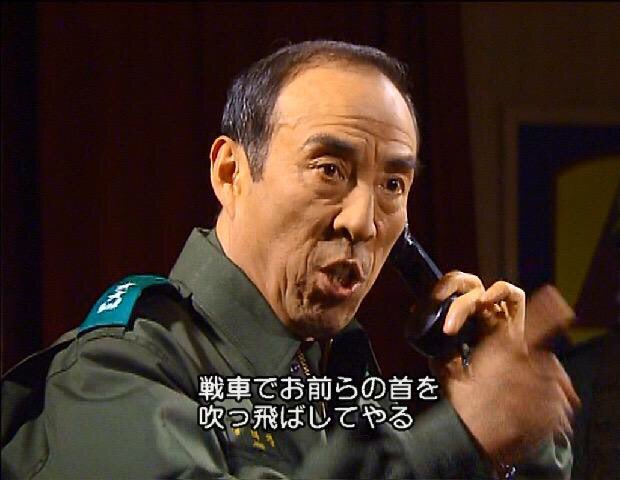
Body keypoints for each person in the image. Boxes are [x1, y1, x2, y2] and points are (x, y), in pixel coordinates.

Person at [1, 40, 578, 479]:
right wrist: (459, 438)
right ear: (231, 173)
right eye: (329, 170)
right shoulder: (117, 371)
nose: (363, 221)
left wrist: (510, 432)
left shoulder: (353, 387)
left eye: (393, 184)